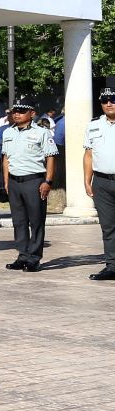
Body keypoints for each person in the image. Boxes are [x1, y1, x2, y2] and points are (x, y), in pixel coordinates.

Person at [1, 100, 57, 271]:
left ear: (32, 113)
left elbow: (50, 157)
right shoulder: (7, 132)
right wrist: (6, 181)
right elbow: (6, 158)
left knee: (36, 220)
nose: (17, 114)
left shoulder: (42, 132)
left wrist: (48, 181)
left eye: (21, 111)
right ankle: (22, 255)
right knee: (19, 221)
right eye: (14, 111)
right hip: (14, 181)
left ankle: (34, 258)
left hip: (34, 180)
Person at [85, 89, 115, 282]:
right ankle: (112, 266)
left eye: (113, 100)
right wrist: (87, 180)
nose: (109, 104)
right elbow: (89, 155)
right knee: (108, 227)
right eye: (105, 100)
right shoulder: (93, 126)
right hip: (102, 182)